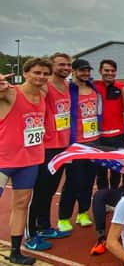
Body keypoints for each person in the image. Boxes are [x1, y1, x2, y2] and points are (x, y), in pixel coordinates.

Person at [0, 58, 51, 265]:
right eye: (37, 73)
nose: (41, 77)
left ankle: (15, 251)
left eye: (45, 74)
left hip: (30, 160)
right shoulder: (10, 92)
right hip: (3, 159)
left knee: (21, 205)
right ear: (26, 73)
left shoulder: (44, 93)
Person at [26, 53, 72, 251]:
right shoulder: (45, 87)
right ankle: (30, 234)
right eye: (61, 64)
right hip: (45, 146)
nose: (66, 67)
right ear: (53, 66)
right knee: (40, 191)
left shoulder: (67, 86)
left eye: (68, 64)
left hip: (62, 145)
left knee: (51, 190)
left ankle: (44, 226)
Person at [57, 59, 102, 233]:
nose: (85, 74)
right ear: (73, 71)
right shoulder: (69, 89)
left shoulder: (93, 88)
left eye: (87, 71)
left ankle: (83, 212)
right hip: (75, 142)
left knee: (89, 181)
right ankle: (63, 217)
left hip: (93, 142)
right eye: (82, 71)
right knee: (73, 181)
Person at [94, 59, 124, 191]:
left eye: (112, 71)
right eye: (106, 70)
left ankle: (113, 197)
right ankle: (103, 196)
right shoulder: (93, 86)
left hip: (118, 135)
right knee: (100, 171)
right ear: (100, 71)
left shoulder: (122, 87)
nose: (110, 73)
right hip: (99, 136)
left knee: (116, 170)